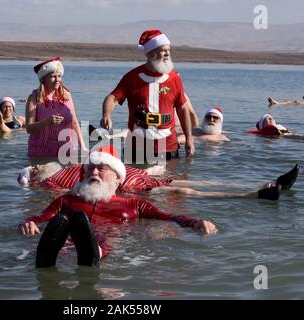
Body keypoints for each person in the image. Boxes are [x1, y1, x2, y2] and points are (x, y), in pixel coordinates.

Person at [19, 146, 217, 268]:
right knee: (62, 221)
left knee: (105, 236)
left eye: (101, 169)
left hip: (107, 242)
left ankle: (93, 253)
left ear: (116, 177)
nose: (93, 172)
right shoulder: (67, 200)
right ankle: (47, 258)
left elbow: (169, 217)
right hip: (68, 240)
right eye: (90, 169)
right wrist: (29, 223)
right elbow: (41, 218)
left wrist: (195, 222)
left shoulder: (134, 204)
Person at [18, 149, 299, 201]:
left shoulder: (69, 172)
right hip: (133, 183)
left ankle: (266, 185)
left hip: (133, 178)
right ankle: (257, 192)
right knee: (185, 189)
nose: (38, 167)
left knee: (191, 183)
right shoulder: (55, 179)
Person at [100, 29, 194, 163]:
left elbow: (182, 108)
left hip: (168, 147)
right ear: (150, 53)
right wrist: (106, 115)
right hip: (137, 149)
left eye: (168, 50)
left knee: (169, 183)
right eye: (163, 50)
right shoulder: (132, 77)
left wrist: (189, 138)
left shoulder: (174, 78)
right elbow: (112, 98)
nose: (167, 53)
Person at [25, 57, 87, 159]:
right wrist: (47, 122)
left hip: (66, 149)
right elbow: (29, 128)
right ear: (43, 79)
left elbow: (74, 122)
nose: (57, 80)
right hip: (41, 151)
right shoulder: (34, 97)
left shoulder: (66, 95)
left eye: (59, 76)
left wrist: (83, 147)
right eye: (53, 77)